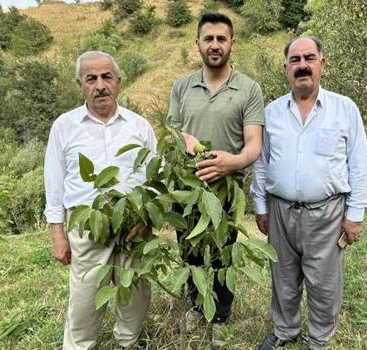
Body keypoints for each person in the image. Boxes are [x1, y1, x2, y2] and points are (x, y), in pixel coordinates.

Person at [250, 37, 367, 350]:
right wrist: (261, 206)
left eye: (309, 57)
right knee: (283, 278)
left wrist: (355, 214)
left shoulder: (344, 109)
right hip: (280, 211)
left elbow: (359, 164)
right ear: (286, 68)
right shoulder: (272, 112)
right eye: (295, 60)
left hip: (328, 213)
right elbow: (262, 164)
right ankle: (285, 331)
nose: (302, 65)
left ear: (321, 63)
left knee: (325, 283)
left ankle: (319, 341)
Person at [44, 51, 157, 350]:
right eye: (91, 78)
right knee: (85, 296)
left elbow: (155, 179)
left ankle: (128, 341)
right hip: (87, 225)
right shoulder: (64, 126)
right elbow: (54, 184)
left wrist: (148, 221)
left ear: (118, 81)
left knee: (134, 289)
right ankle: (80, 345)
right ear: (80, 84)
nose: (100, 85)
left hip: (135, 225)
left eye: (107, 77)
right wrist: (57, 234)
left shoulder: (139, 126)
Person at [168, 12, 265, 339]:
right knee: (190, 253)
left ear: (231, 43)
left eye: (221, 39)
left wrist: (232, 162)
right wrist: (184, 141)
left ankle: (221, 318)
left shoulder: (249, 88)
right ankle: (195, 311)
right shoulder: (182, 86)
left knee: (224, 255)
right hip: (186, 190)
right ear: (197, 43)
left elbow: (254, 145)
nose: (214, 45)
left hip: (227, 192)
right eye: (208, 38)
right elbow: (172, 133)